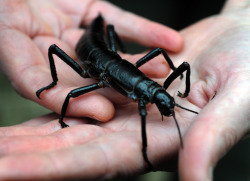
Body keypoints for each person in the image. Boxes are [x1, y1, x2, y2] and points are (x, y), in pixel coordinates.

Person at [0, 0, 249, 181]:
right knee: (63, 70)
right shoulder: (134, 97)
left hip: (110, 52)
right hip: (90, 54)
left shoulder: (146, 91)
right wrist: (62, 113)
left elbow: (180, 66)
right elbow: (71, 93)